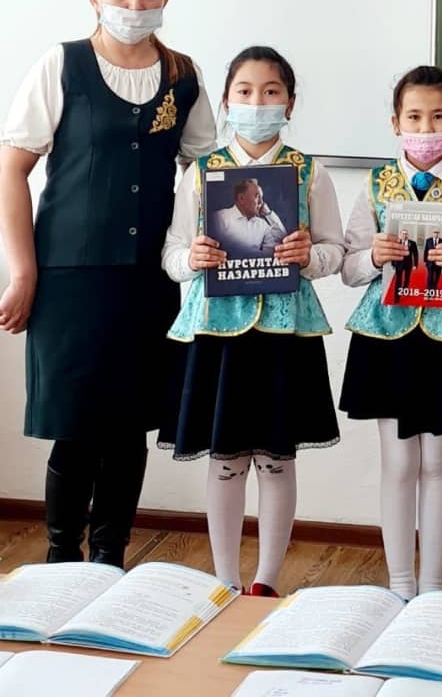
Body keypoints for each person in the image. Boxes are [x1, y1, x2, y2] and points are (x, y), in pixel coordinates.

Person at [0, 0, 216, 568]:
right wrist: (23, 272)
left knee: (128, 427)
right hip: (70, 277)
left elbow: (205, 174)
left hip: (149, 278)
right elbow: (11, 172)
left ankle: (109, 559)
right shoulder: (61, 65)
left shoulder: (183, 75)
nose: (135, 3)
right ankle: (61, 560)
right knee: (77, 425)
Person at [159, 46, 344, 597]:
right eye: (244, 91)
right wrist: (192, 260)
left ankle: (266, 581)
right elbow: (172, 254)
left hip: (284, 334)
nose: (257, 102)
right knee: (225, 459)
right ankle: (225, 580)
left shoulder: (310, 173)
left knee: (276, 458)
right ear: (226, 100)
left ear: (290, 103)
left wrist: (308, 256)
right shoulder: (201, 174)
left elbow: (334, 252)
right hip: (219, 334)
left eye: (270, 92)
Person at [340, 65, 442, 599]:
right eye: (414, 117)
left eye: (437, 117)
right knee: (398, 461)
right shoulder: (375, 184)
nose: (426, 128)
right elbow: (348, 268)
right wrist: (373, 256)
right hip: (387, 336)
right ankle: (400, 584)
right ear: (395, 123)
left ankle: (432, 585)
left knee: (437, 460)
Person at [208, 178, 287, 258]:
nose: (261, 202)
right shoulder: (219, 218)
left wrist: (269, 214)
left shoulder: (262, 225)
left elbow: (282, 241)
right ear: (241, 198)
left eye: (262, 198)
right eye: (257, 197)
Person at [390, 228, 419, 303]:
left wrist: (415, 264)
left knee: (407, 278)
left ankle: (405, 289)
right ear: (400, 235)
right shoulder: (397, 243)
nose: (404, 235)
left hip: (408, 264)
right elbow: (393, 253)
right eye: (403, 234)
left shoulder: (412, 243)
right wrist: (393, 263)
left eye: (406, 234)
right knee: (398, 280)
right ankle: (396, 297)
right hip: (399, 264)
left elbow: (415, 254)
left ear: (407, 235)